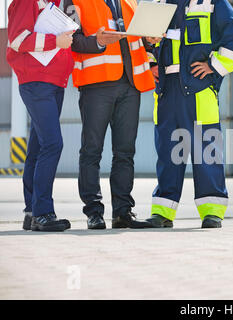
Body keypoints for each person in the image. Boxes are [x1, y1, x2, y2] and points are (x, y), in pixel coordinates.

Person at [146, 0, 233, 229]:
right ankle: (162, 212)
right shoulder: (156, 3)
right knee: (168, 152)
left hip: (199, 88)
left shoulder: (211, 2)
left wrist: (214, 65)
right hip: (166, 89)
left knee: (207, 152)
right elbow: (142, 40)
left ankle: (212, 212)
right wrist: (150, 61)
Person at [64, 0, 161, 229]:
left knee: (125, 151)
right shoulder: (76, 2)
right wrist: (97, 41)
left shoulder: (131, 1)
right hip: (97, 84)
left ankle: (123, 212)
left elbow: (137, 40)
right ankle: (93, 212)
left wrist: (150, 41)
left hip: (130, 84)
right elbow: (71, 40)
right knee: (92, 150)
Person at [6, 0, 74, 232]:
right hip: (38, 83)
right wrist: (57, 41)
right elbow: (17, 40)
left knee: (38, 147)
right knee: (53, 144)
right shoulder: (27, 1)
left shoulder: (53, 3)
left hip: (53, 83)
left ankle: (32, 211)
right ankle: (43, 212)